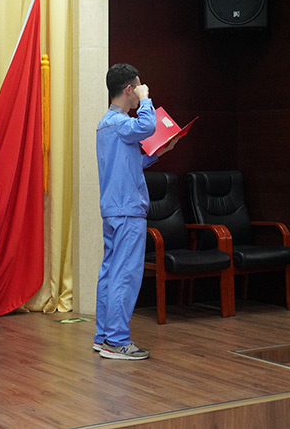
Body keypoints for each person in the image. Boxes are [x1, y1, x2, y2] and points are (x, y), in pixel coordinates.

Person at [93, 63, 179, 360]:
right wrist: (146, 100)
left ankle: (104, 336)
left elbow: (128, 164)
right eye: (138, 88)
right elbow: (147, 127)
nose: (140, 92)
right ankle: (117, 340)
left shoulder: (106, 124)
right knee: (125, 275)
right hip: (127, 210)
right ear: (129, 89)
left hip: (114, 209)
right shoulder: (122, 123)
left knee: (110, 273)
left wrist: (158, 153)